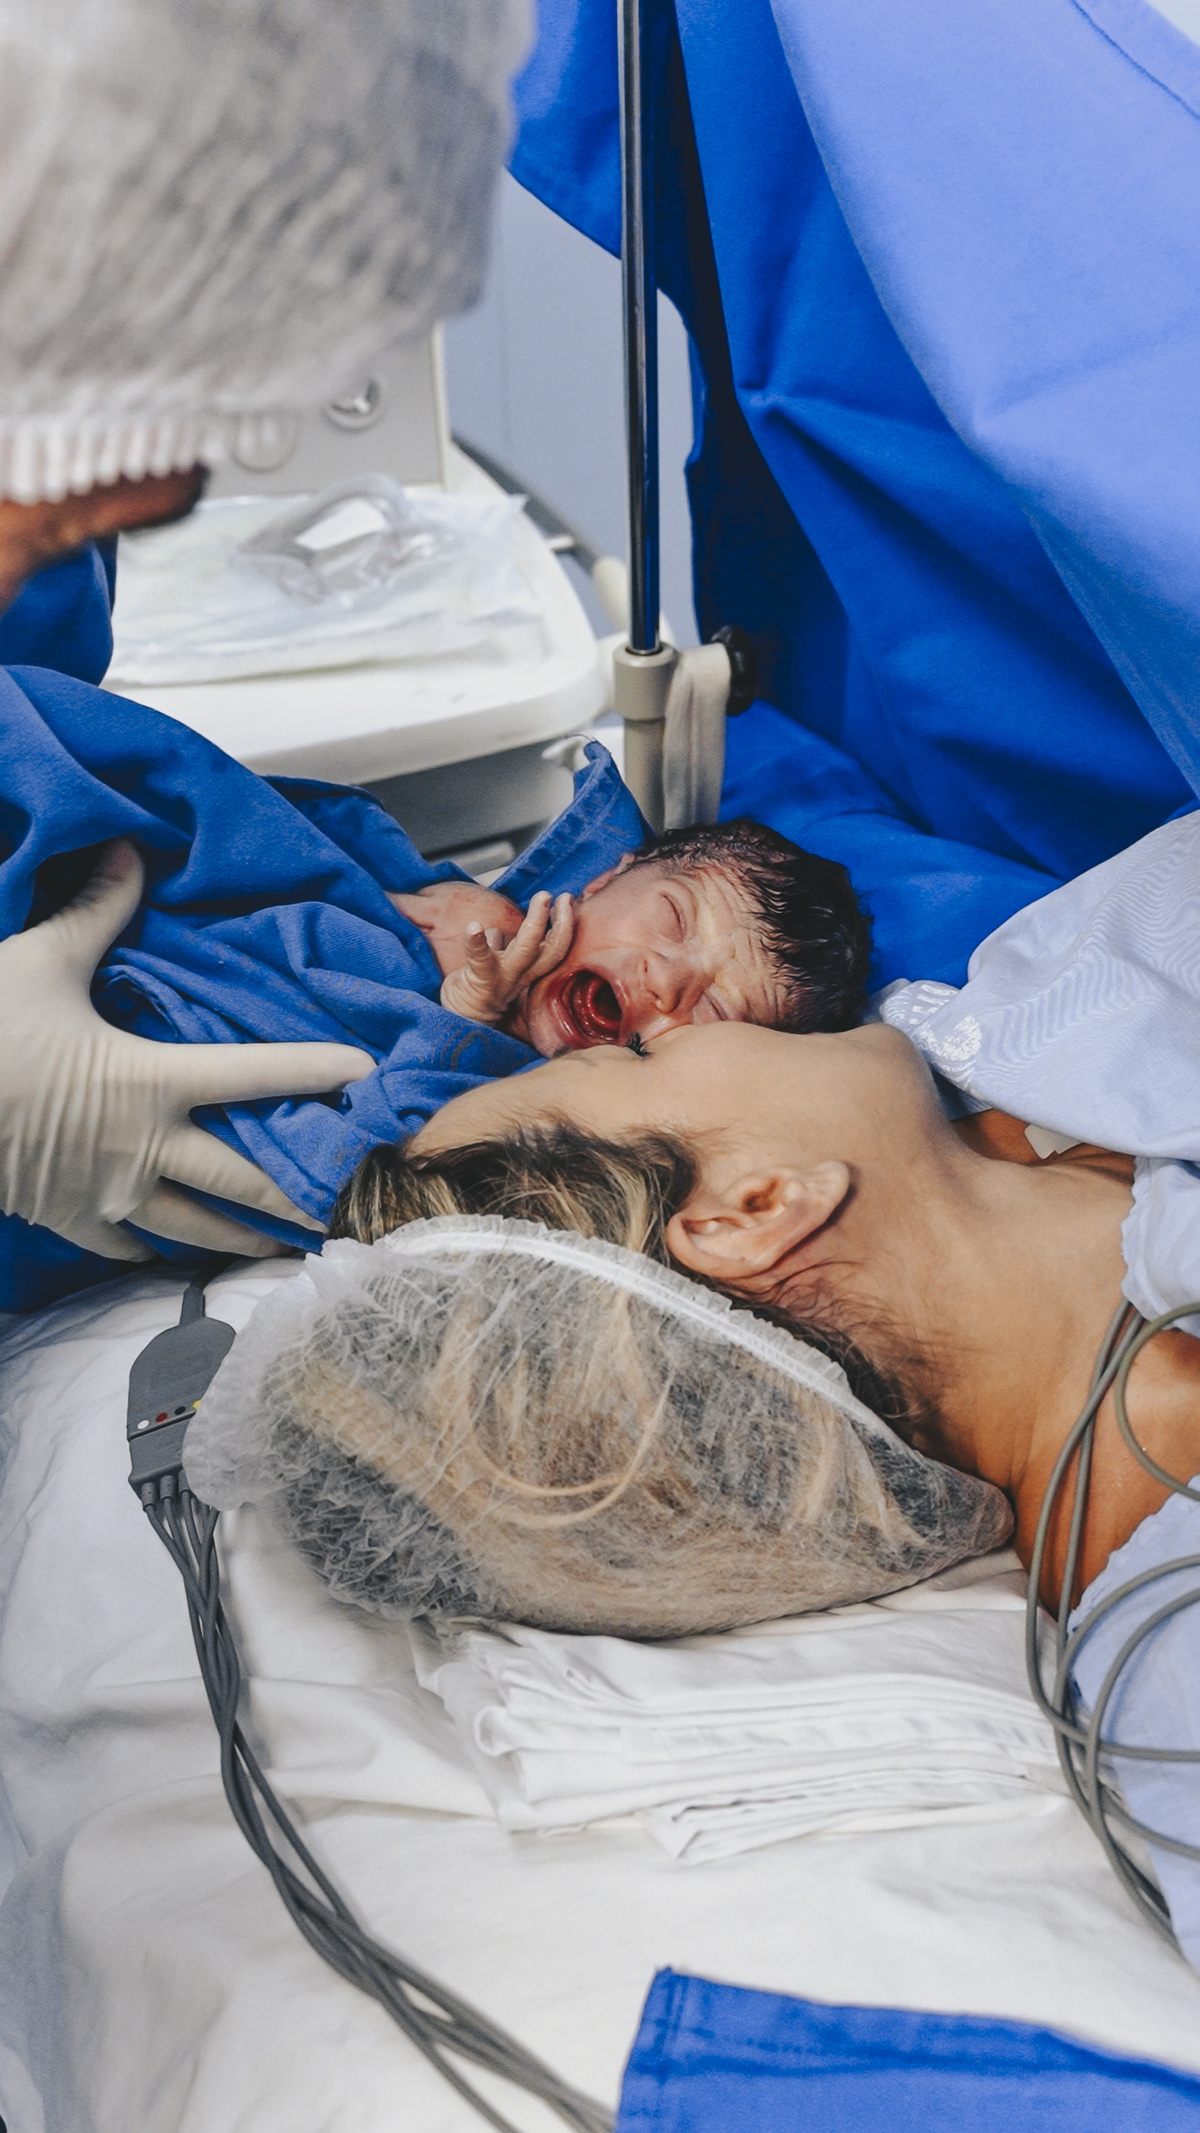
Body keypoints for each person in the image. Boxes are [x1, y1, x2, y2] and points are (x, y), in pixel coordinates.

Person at [392, 819, 871, 1050]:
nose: (665, 981)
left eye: (715, 1009)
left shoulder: (590, 1121)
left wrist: (462, 1023)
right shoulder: (469, 924)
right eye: (673, 918)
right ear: (605, 881)